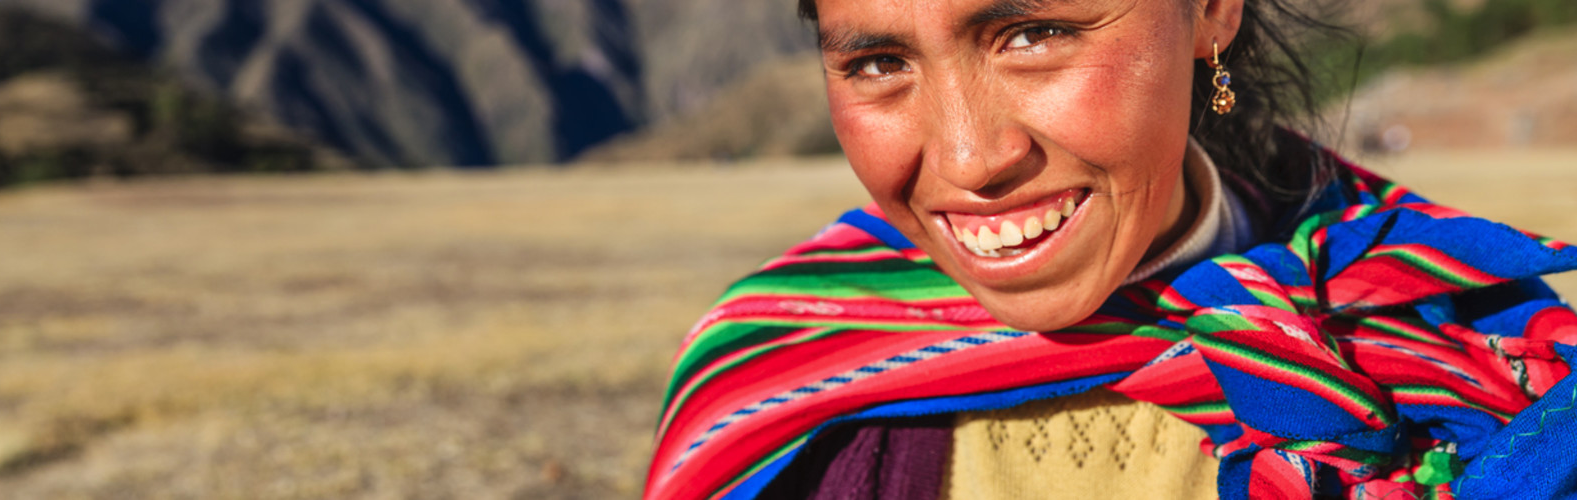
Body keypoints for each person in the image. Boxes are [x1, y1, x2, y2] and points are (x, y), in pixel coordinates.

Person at [646, 0, 1577, 498]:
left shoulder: (1465, 337)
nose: (970, 159)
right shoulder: (773, 382)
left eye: (1035, 34)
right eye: (879, 64)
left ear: (1212, 10)